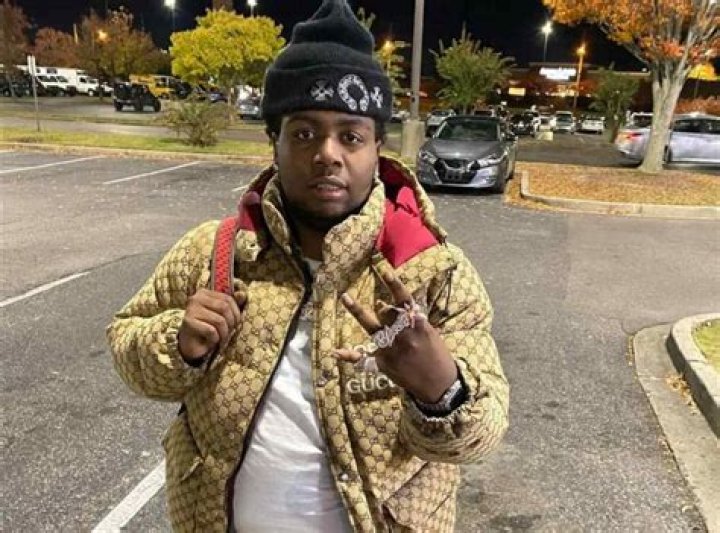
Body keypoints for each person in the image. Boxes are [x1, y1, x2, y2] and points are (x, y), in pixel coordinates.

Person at [106, 1, 509, 531]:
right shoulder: (215, 252)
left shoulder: (433, 272)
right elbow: (125, 341)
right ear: (273, 141)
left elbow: (480, 436)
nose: (327, 154)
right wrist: (179, 344)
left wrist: (442, 390)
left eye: (351, 135)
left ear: (377, 147)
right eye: (303, 133)